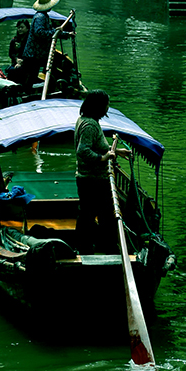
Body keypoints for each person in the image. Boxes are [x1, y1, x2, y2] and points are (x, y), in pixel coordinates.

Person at [74, 89, 130, 254]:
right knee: (101, 215)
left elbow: (97, 146)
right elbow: (82, 151)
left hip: (89, 178)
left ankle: (88, 247)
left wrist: (117, 151)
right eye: (106, 104)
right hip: (93, 179)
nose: (107, 108)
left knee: (88, 214)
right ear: (98, 106)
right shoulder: (90, 125)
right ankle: (100, 248)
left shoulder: (84, 120)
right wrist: (103, 158)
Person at [20, 0, 73, 86]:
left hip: (39, 54)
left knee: (34, 77)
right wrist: (55, 32)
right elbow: (39, 33)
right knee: (30, 78)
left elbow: (50, 32)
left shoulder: (44, 16)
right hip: (34, 55)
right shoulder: (40, 17)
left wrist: (66, 34)